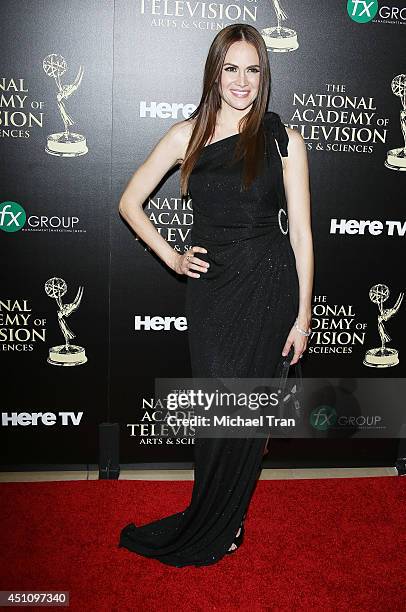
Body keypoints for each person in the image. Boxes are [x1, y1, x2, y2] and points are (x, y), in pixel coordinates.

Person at [118, 23, 313, 567]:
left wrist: (302, 318)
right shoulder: (187, 136)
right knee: (215, 416)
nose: (242, 81)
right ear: (214, 72)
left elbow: (300, 234)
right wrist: (174, 257)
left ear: (263, 76)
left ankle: (232, 519)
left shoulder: (283, 140)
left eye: (253, 70)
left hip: (270, 289)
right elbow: (130, 202)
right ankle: (212, 514)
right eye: (232, 68)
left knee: (250, 417)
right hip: (213, 294)